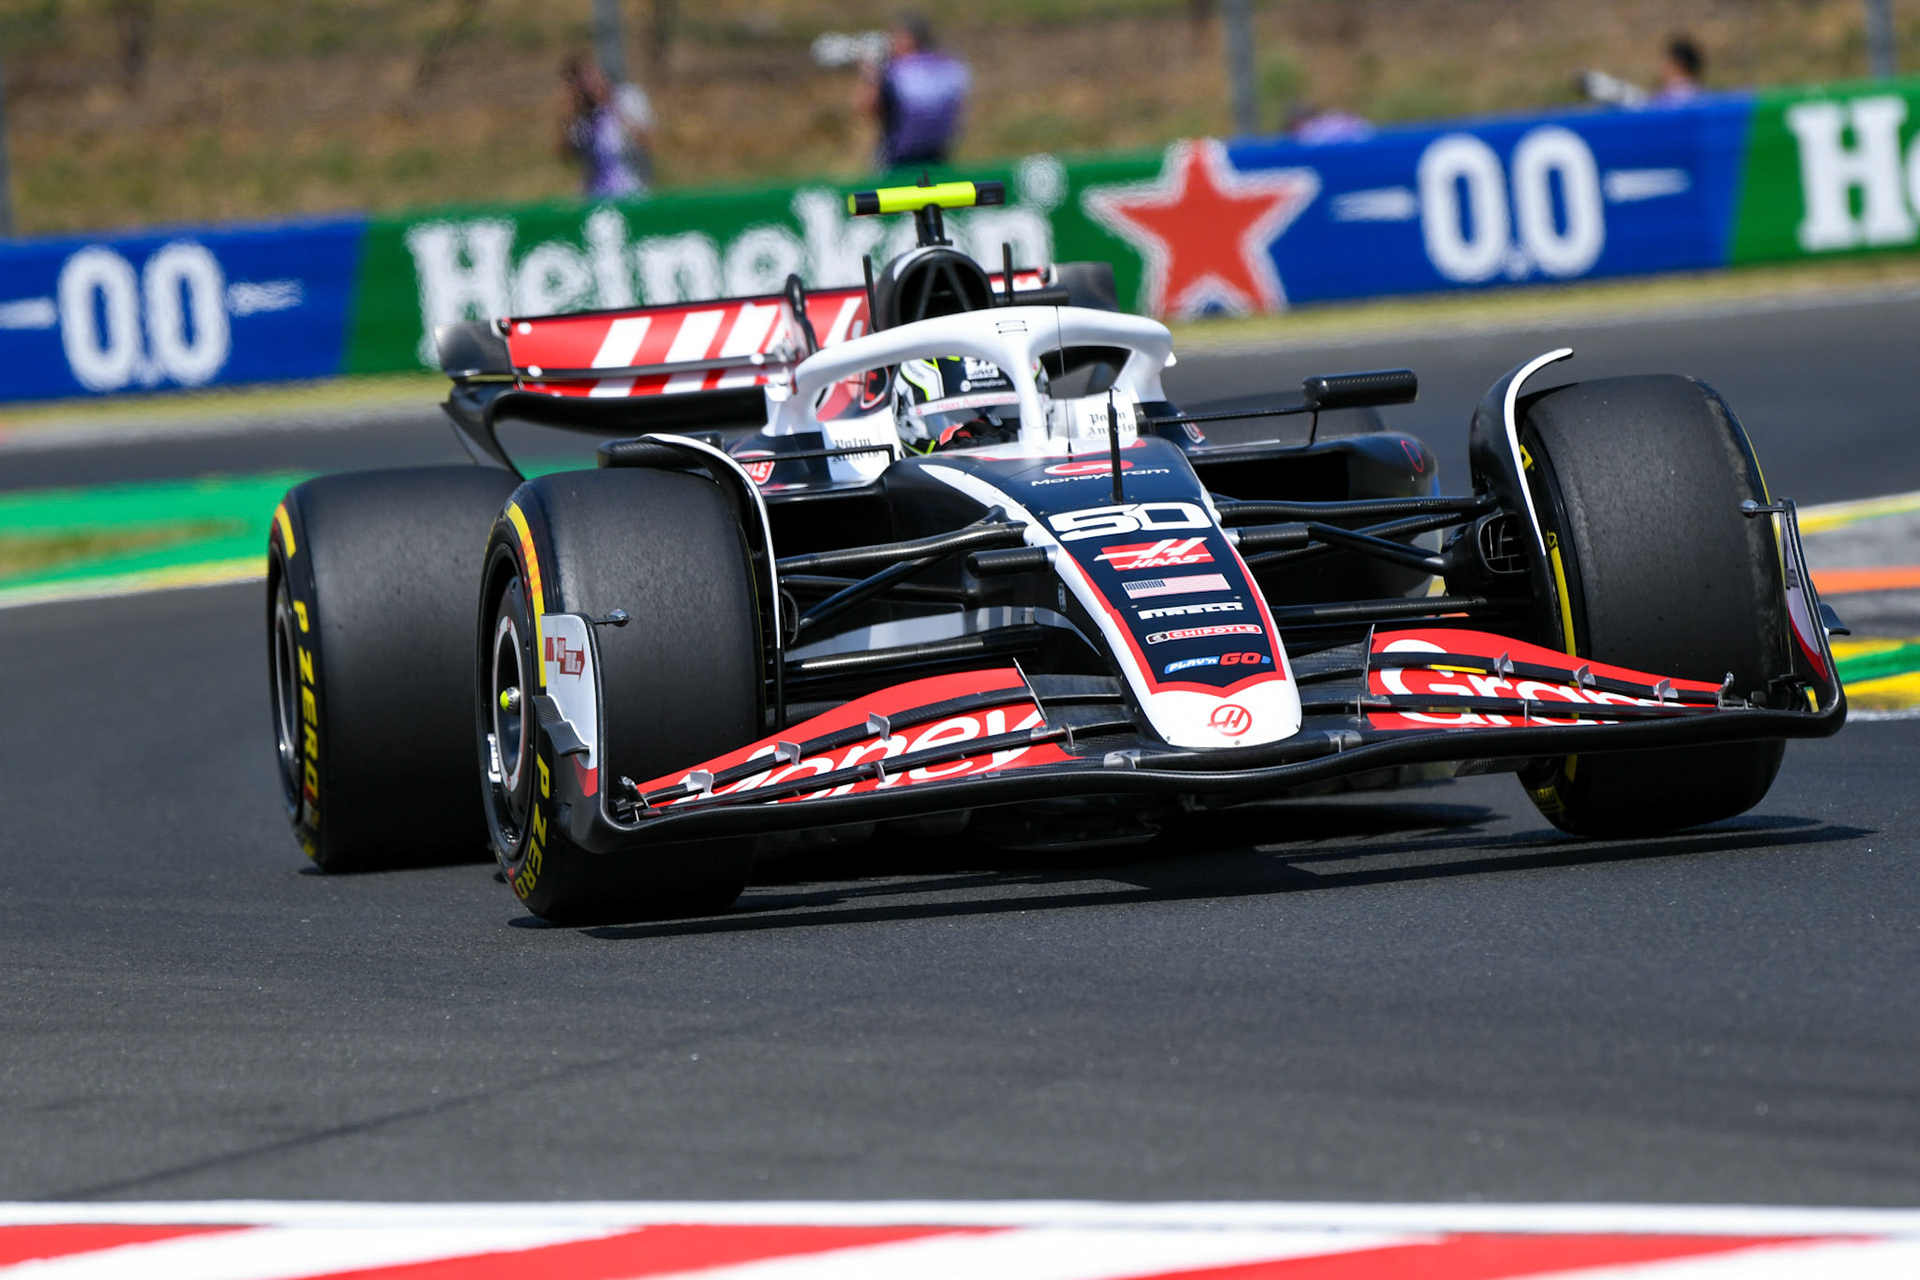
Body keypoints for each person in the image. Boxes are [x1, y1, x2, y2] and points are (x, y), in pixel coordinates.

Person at [856, 14, 971, 173]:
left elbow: (868, 106)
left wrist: (869, 73)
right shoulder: (948, 66)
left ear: (909, 39)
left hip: (899, 158)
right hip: (939, 154)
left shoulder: (898, 71)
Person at [560, 55, 655, 198]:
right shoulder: (584, 119)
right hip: (597, 195)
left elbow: (647, 142)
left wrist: (610, 103)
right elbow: (565, 156)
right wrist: (569, 114)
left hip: (632, 191)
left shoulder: (629, 98)